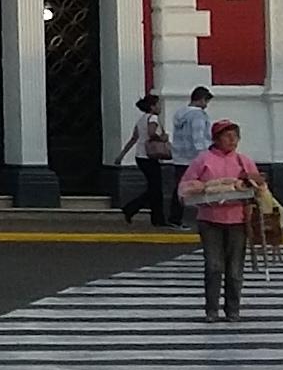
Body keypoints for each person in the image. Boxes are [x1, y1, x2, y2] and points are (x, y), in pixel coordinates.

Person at [175, 119, 265, 321]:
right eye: (227, 136)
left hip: (238, 221)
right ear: (216, 139)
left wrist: (254, 186)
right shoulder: (203, 160)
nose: (233, 140)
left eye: (236, 136)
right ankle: (212, 310)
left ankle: (233, 309)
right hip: (210, 221)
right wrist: (202, 187)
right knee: (214, 266)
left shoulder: (244, 161)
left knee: (235, 270)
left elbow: (259, 188)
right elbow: (184, 188)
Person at [112, 93, 175, 226]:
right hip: (149, 156)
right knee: (155, 189)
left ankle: (147, 214)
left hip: (140, 156)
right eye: (158, 104)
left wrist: (122, 155)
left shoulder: (141, 119)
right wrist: (162, 138)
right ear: (152, 106)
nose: (160, 107)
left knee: (154, 188)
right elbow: (152, 133)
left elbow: (134, 138)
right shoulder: (153, 118)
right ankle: (136, 210)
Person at [166, 86, 215, 228]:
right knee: (205, 187)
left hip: (180, 157)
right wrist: (205, 155)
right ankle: (207, 217)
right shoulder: (198, 115)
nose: (206, 105)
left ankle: (174, 218)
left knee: (179, 188)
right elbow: (198, 137)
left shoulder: (180, 113)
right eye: (206, 101)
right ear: (201, 99)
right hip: (195, 159)